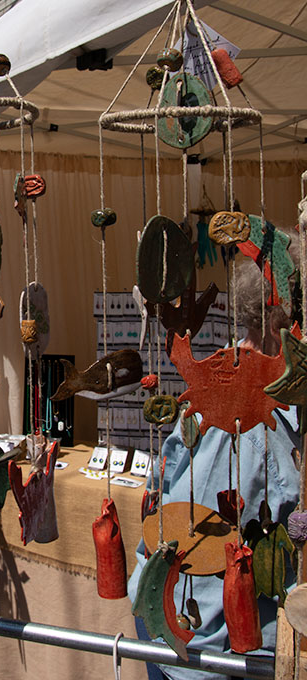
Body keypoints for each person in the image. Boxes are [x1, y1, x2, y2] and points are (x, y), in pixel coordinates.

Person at [128, 255, 300, 680]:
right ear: (287, 324)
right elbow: (193, 553)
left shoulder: (274, 408)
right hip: (202, 657)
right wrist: (194, 661)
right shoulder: (242, 413)